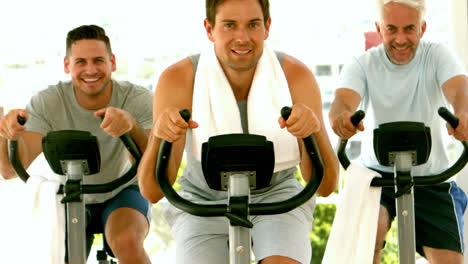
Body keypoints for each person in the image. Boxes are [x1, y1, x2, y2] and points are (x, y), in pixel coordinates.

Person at [137, 0, 339, 263]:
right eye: (229, 25)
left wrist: (313, 132)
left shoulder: (296, 76)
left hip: (276, 196)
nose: (242, 38)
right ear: (209, 29)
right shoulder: (178, 79)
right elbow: (152, 191)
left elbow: (326, 186)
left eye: (253, 24)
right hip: (203, 200)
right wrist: (158, 138)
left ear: (267, 27)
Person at [328, 0, 468, 263]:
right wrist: (342, 119)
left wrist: (463, 113)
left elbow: (460, 91)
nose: (401, 39)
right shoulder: (363, 64)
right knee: (370, 235)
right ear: (379, 29)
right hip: (378, 178)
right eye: (392, 29)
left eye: (409, 29)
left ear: (422, 28)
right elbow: (342, 102)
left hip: (432, 178)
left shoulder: (438, 55)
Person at [0, 25, 153, 264]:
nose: (90, 69)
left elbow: (152, 163)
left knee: (126, 242)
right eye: (80, 61)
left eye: (98, 60)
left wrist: (131, 126)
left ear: (112, 62)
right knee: (64, 256)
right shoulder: (48, 102)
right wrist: (7, 134)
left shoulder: (136, 99)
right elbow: (10, 170)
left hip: (122, 189)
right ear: (67, 65)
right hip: (70, 193)